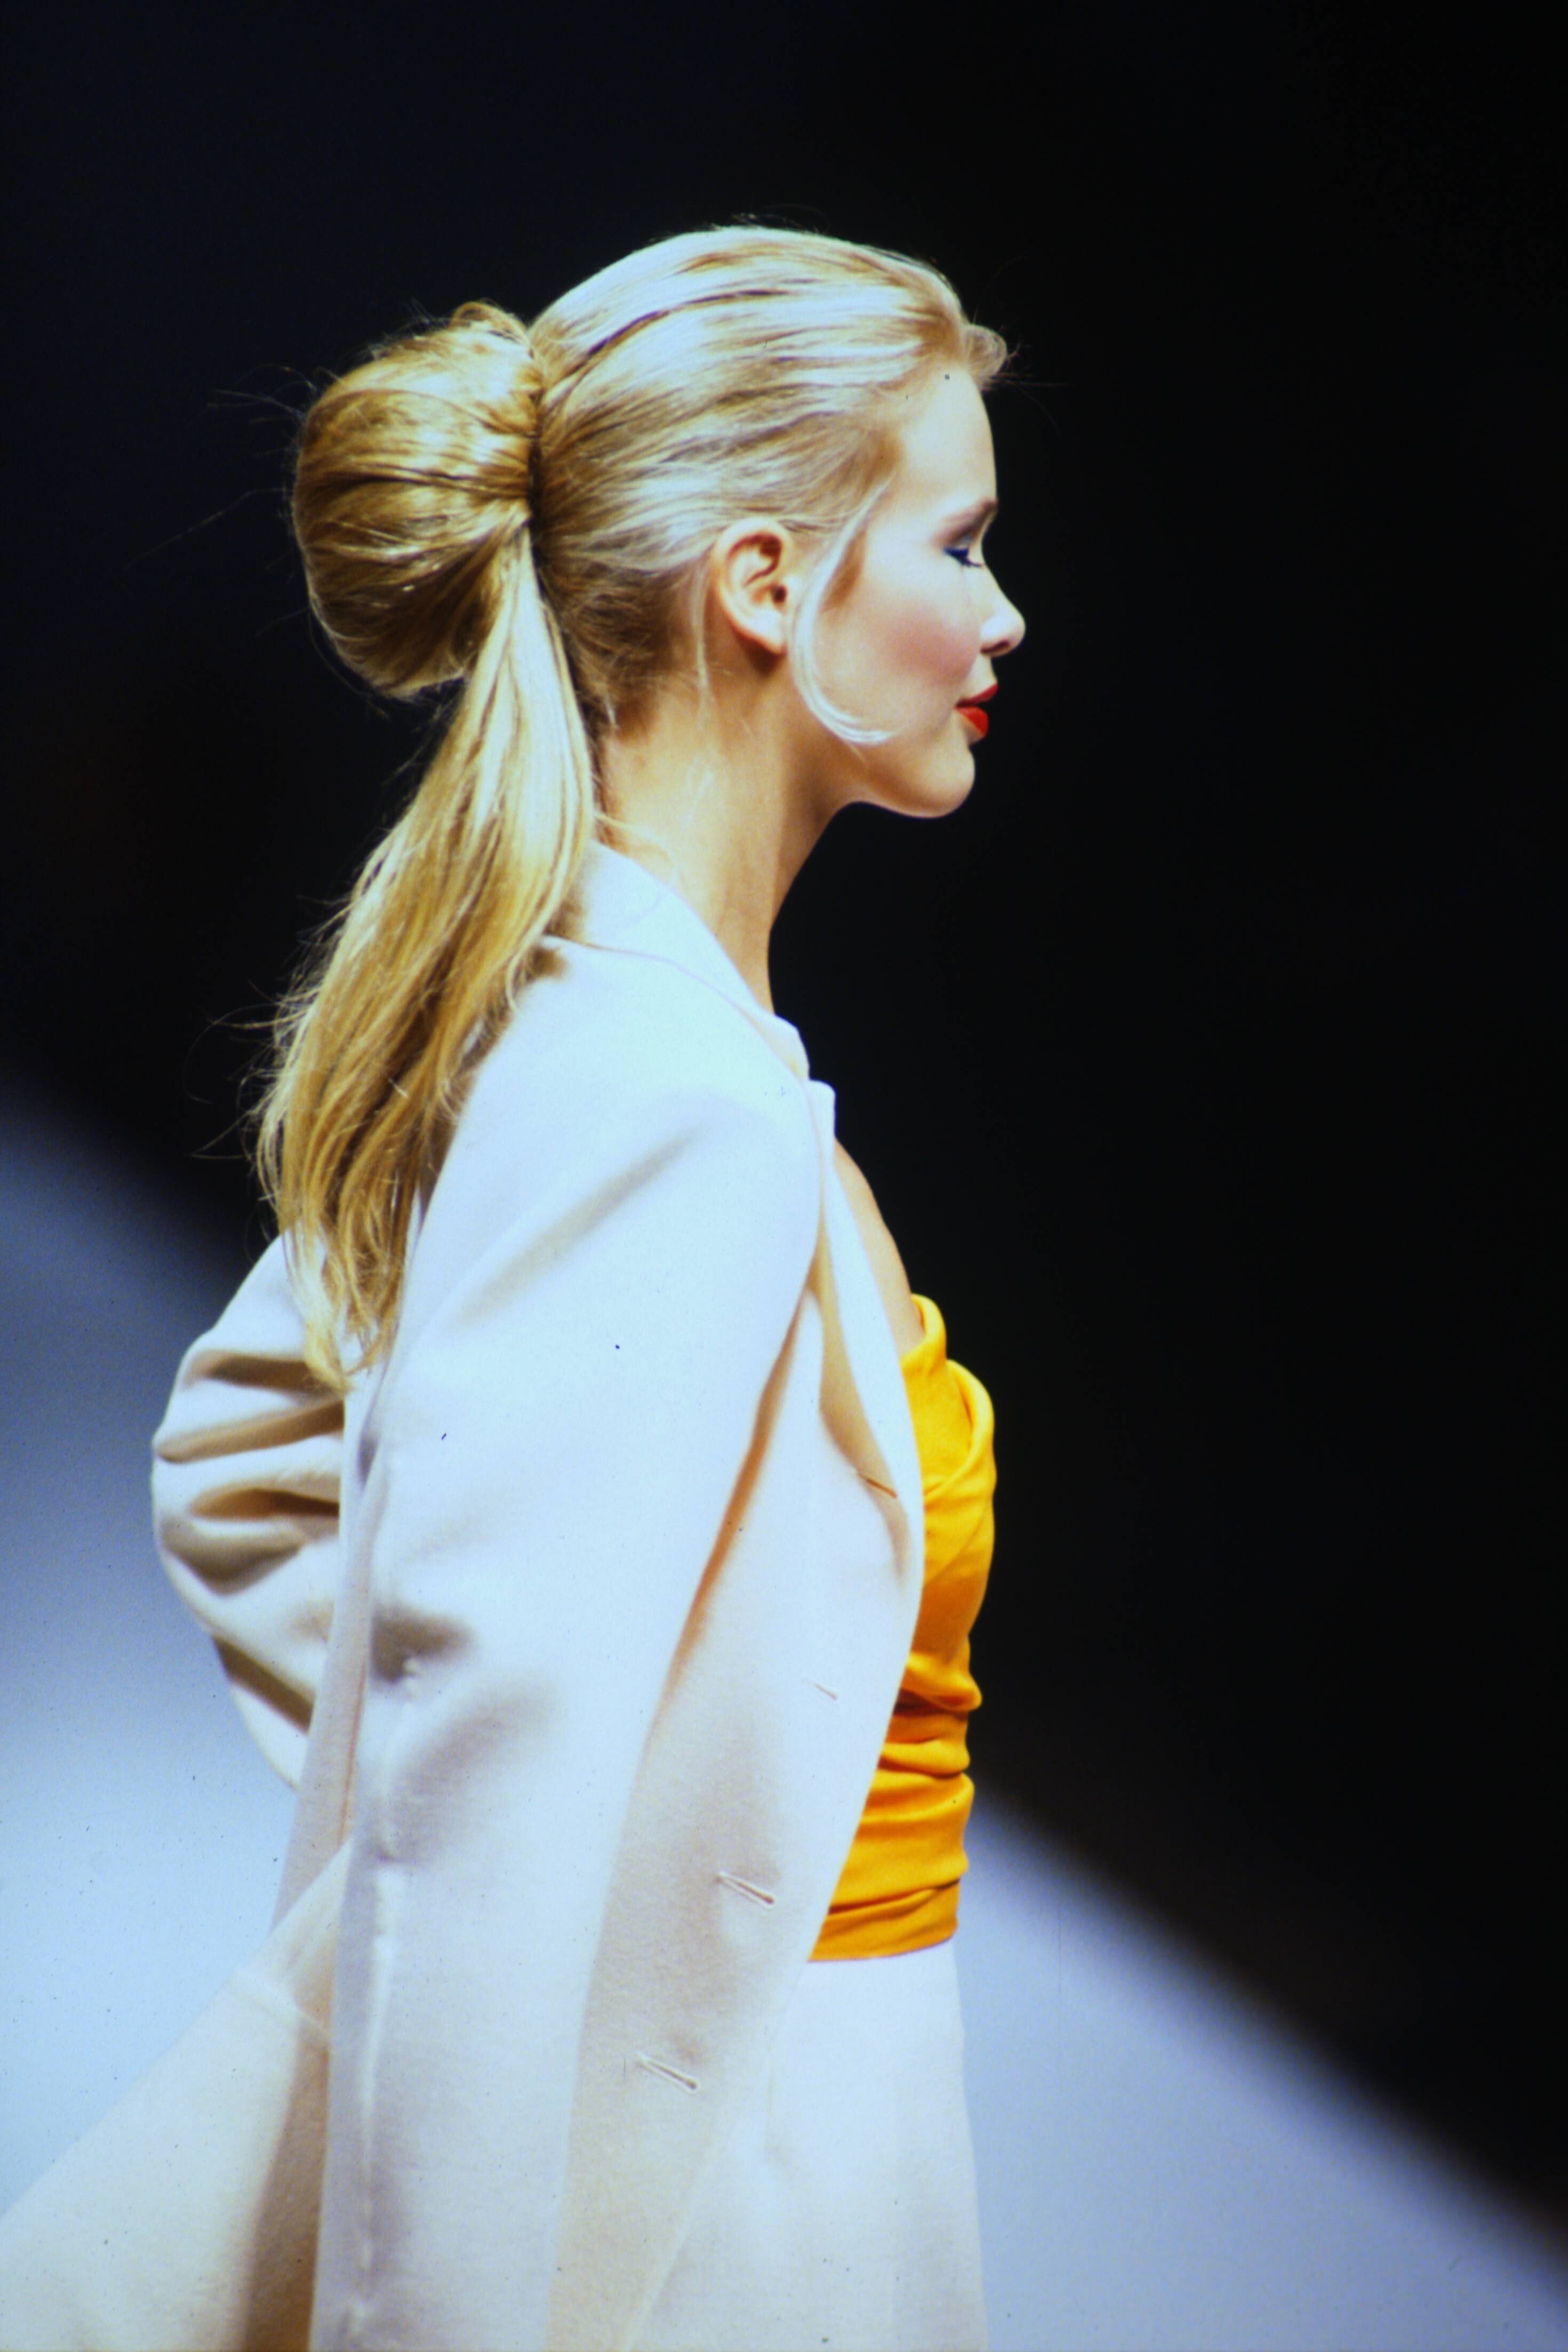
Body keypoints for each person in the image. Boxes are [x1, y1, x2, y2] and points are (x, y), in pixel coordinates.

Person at [0, 222, 1025, 2352]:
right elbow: (475, 1825)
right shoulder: (668, 1101)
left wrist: (600, 1811)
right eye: (958, 541)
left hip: (773, 2118)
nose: (1001, 612)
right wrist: (568, 1856)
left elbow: (247, 1453)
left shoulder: (591, 1015)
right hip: (740, 2186)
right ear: (764, 583)